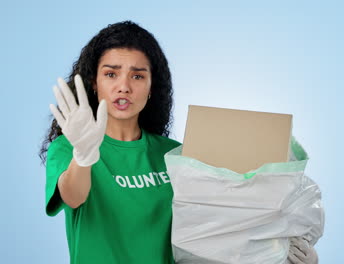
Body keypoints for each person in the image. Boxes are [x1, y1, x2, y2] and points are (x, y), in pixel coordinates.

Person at [40, 20, 317, 264]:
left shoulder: (174, 155)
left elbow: (222, 225)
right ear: (93, 83)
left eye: (138, 76)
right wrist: (84, 157)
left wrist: (286, 249)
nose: (123, 86)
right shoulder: (69, 148)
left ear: (151, 88)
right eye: (111, 74)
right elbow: (73, 196)